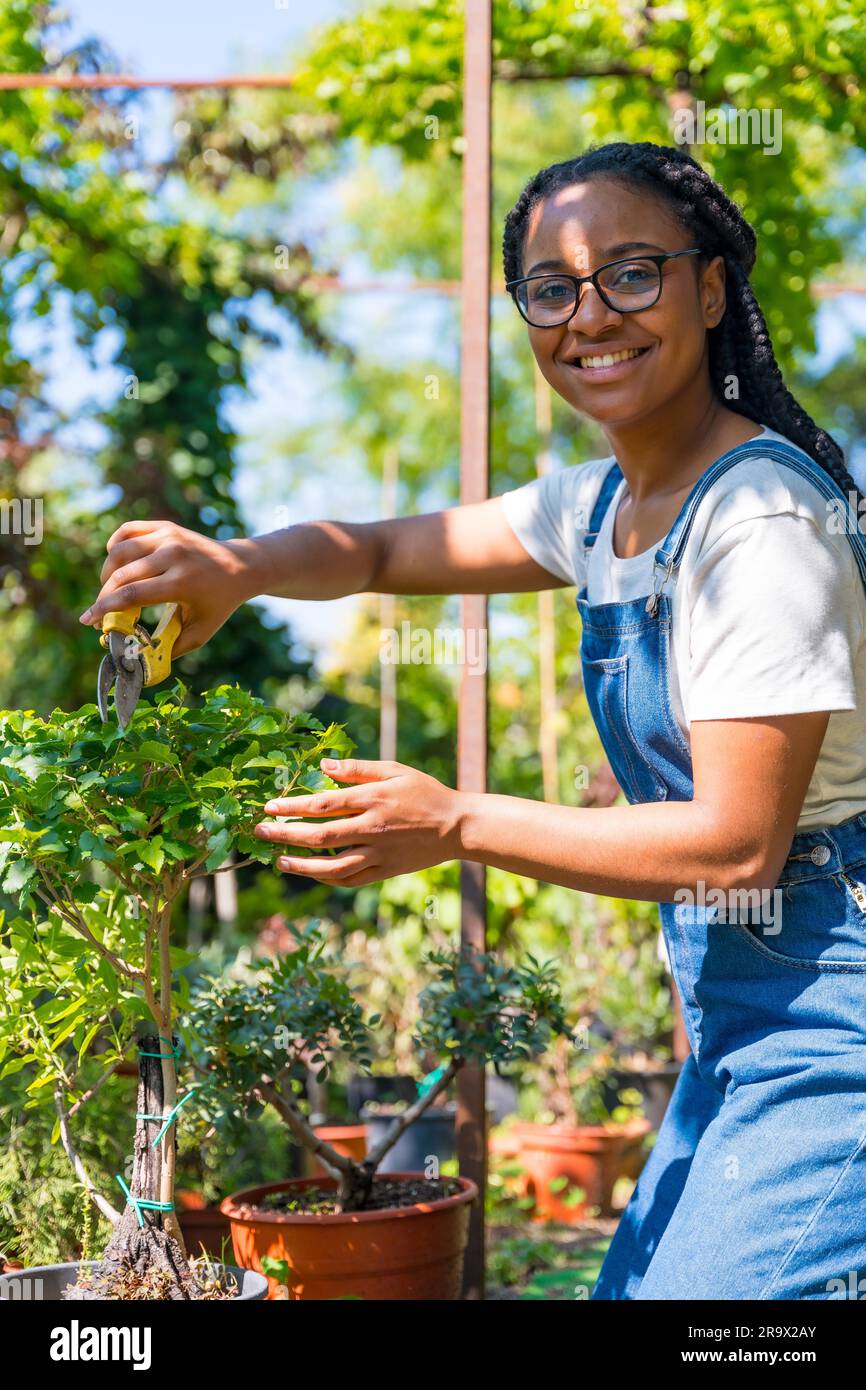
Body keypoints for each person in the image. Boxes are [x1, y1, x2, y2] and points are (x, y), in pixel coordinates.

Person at [81, 141, 866, 1300]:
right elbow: (387, 549)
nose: (589, 313)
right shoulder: (602, 504)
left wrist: (451, 820)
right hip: (741, 1019)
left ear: (709, 289)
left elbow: (733, 845)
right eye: (551, 289)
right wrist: (235, 565)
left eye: (632, 272)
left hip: (830, 1017)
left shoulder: (752, 517)